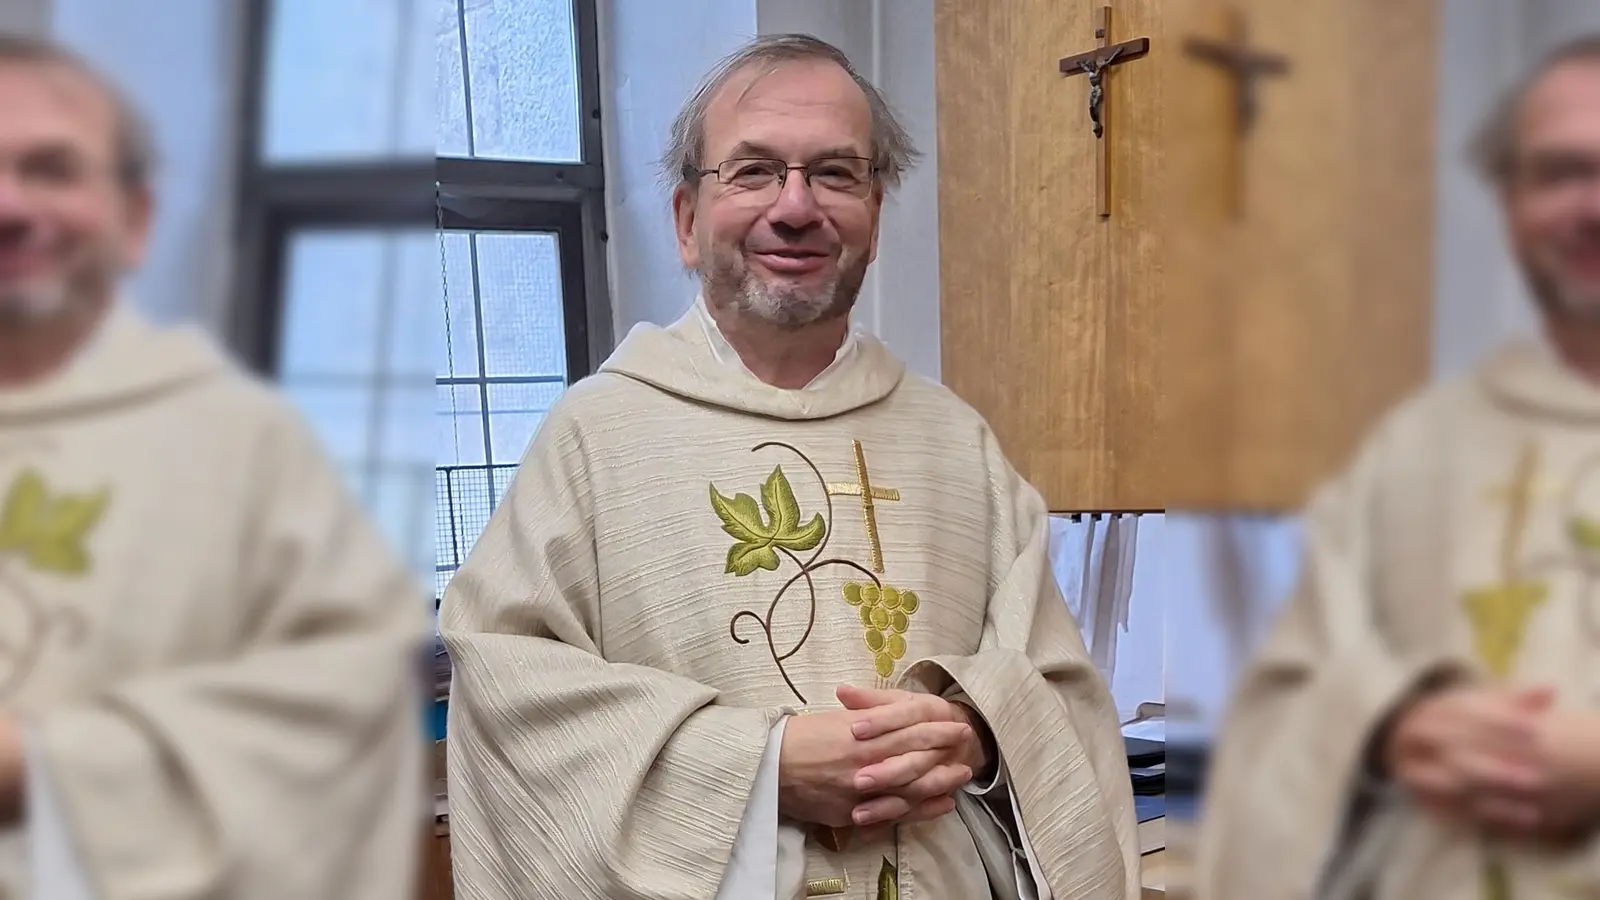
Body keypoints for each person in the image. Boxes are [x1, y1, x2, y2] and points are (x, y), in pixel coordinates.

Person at [440, 33, 1139, 900]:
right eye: (754, 171)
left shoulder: (957, 443)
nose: (797, 206)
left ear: (875, 215)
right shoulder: (594, 439)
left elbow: (1058, 693)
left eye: (836, 173)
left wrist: (977, 734)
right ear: (687, 220)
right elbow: (508, 699)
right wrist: (762, 765)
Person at [0, 34, 429, 900]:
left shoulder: (241, 443)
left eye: (50, 169)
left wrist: (46, 764)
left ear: (135, 219)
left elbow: (350, 705)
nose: (8, 205)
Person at [1195, 35, 1600, 900]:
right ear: (1510, 203)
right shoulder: (1416, 446)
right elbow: (1287, 693)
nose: (1592, 207)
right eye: (1561, 172)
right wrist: (1388, 726)